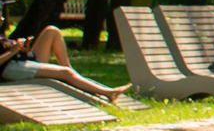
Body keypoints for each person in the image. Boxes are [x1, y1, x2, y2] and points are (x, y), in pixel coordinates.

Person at [0, 24, 133, 102]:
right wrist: (13, 51)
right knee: (66, 73)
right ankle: (108, 92)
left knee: (52, 31)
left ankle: (70, 74)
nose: (2, 19)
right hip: (10, 68)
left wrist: (21, 49)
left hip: (22, 60)